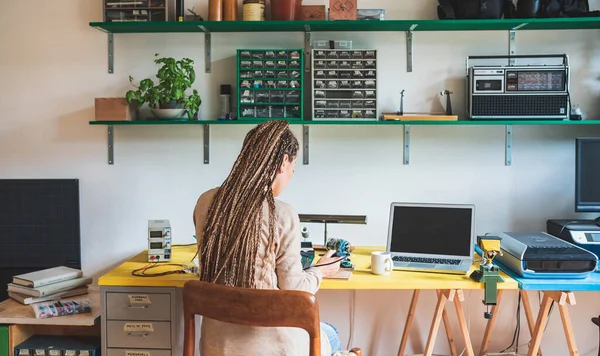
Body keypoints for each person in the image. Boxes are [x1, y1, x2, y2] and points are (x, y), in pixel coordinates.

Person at [193, 120, 343, 356]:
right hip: (272, 347)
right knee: (332, 334)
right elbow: (295, 292)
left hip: (215, 347)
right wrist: (319, 271)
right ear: (284, 162)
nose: (290, 176)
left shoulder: (206, 202)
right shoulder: (281, 213)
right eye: (293, 169)